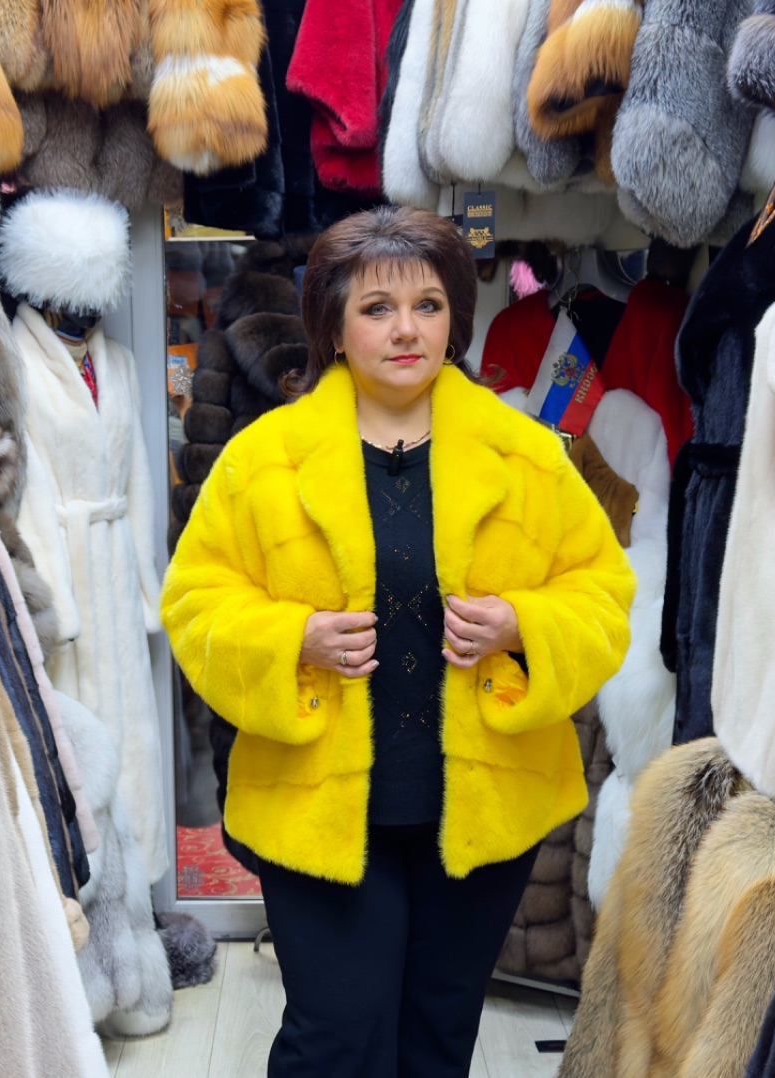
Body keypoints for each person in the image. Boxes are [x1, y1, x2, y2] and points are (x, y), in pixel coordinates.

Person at [161, 206, 634, 1076]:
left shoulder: (524, 454)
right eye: (377, 308)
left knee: (436, 1039)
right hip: (314, 799)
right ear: (333, 324)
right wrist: (292, 637)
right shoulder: (265, 458)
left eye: (428, 305)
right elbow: (194, 603)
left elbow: (603, 594)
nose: (406, 329)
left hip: (482, 802)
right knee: (334, 1038)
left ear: (455, 318)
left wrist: (523, 625)